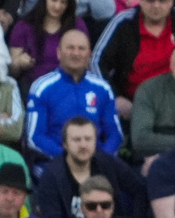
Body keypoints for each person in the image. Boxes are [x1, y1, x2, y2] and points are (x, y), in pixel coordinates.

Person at [24, 26, 125, 159]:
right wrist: (69, 159)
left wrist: (99, 160)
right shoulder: (41, 87)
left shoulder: (102, 88)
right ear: (59, 53)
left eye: (81, 48)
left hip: (96, 162)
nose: (76, 53)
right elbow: (34, 136)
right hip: (55, 164)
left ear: (89, 55)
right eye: (70, 48)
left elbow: (115, 134)